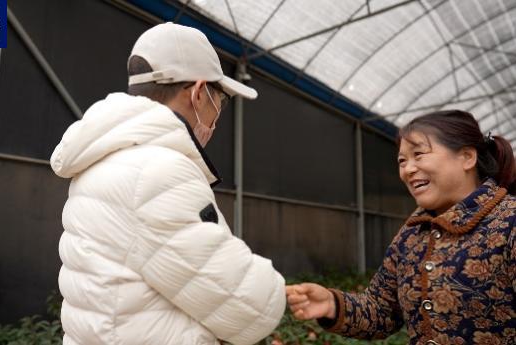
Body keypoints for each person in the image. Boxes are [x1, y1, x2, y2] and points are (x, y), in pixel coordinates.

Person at [50, 22, 285, 345]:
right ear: (199, 92)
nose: (217, 116)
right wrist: (275, 287)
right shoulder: (158, 173)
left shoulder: (101, 159)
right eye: (220, 100)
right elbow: (251, 308)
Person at [286, 110, 516, 345]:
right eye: (402, 161)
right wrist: (331, 305)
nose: (407, 170)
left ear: (467, 157)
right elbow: (381, 310)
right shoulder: (412, 233)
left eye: (419, 155)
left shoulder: (509, 221)